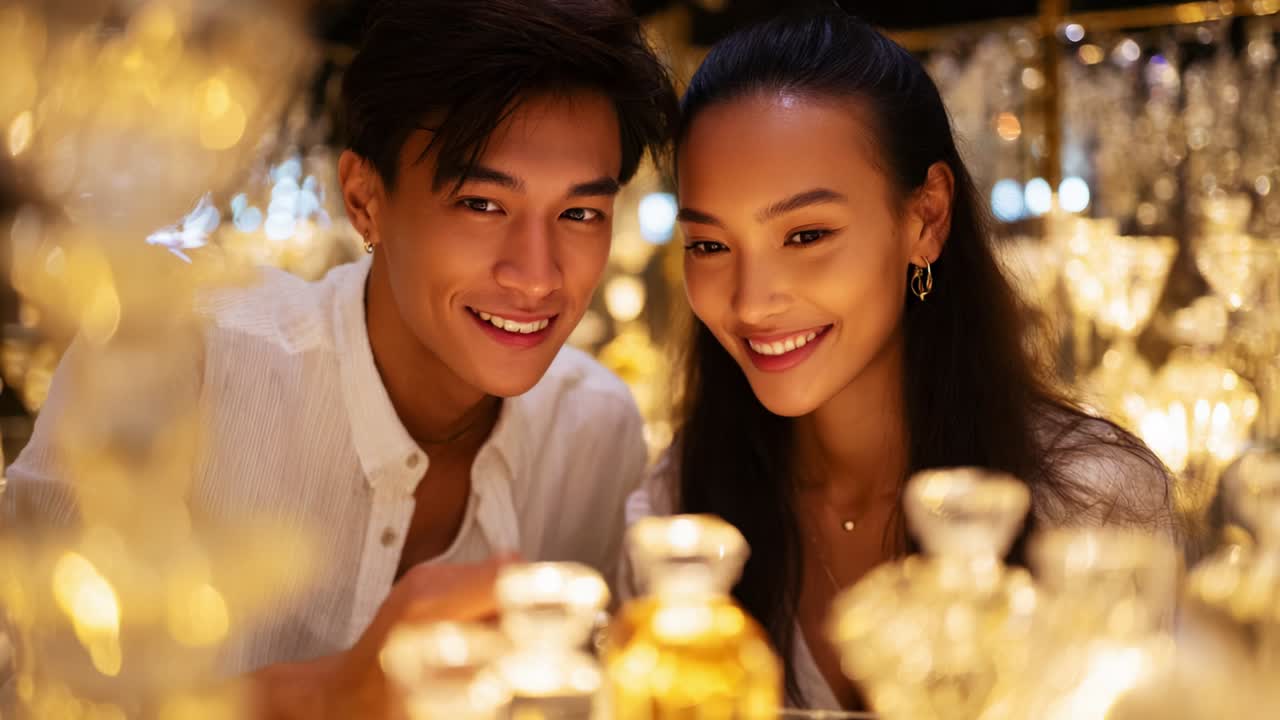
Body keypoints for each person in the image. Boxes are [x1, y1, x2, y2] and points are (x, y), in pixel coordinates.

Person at [3, 0, 677, 716]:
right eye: (482, 204)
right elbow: (24, 686)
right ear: (364, 200)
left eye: (579, 214)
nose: (537, 275)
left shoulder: (595, 432)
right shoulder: (180, 360)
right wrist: (327, 693)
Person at [625, 9, 1180, 712]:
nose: (752, 301)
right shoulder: (677, 516)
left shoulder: (1094, 504)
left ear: (926, 218)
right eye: (709, 245)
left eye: (806, 234)